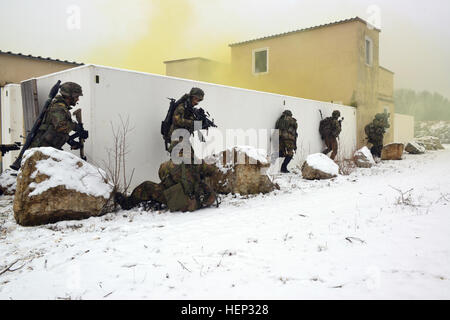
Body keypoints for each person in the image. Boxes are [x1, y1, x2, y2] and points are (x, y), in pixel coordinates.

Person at [115, 160, 218, 212]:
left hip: (181, 201)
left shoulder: (170, 166)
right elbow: (212, 170)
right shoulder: (196, 163)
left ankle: (127, 204)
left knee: (147, 186)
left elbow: (163, 180)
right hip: (196, 201)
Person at [30, 82, 87, 150]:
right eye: (76, 96)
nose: (78, 99)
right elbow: (61, 126)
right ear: (69, 96)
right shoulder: (58, 108)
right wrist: (75, 127)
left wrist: (71, 141)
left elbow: (54, 130)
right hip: (41, 151)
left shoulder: (60, 107)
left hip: (46, 149)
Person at [167, 87, 206, 162]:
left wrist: (199, 126)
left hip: (184, 137)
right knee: (180, 159)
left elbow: (191, 123)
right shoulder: (182, 106)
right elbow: (177, 120)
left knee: (191, 158)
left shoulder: (189, 108)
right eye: (196, 99)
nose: (197, 102)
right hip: (176, 136)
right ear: (192, 97)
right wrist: (192, 123)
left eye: (199, 100)